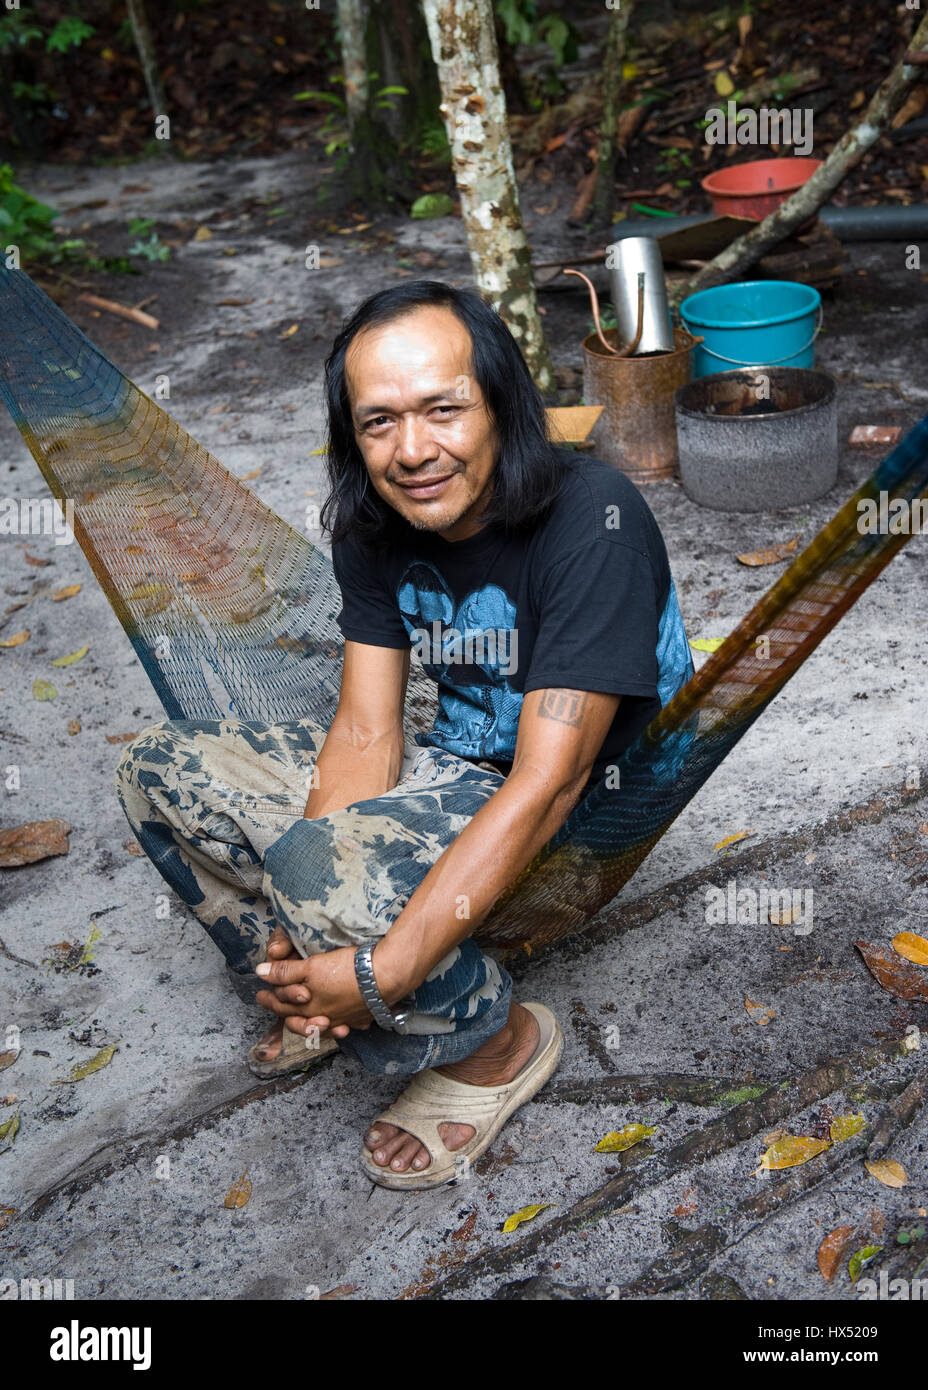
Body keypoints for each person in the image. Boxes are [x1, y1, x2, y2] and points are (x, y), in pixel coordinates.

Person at [114, 280, 693, 1190]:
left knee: (323, 874)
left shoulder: (595, 523)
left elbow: (549, 787)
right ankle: (312, 980)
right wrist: (311, 910)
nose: (412, 450)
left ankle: (497, 1045)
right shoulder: (374, 522)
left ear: (502, 406)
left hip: (578, 806)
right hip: (452, 767)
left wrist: (380, 976)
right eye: (379, 422)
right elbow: (366, 726)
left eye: (444, 410)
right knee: (159, 772)